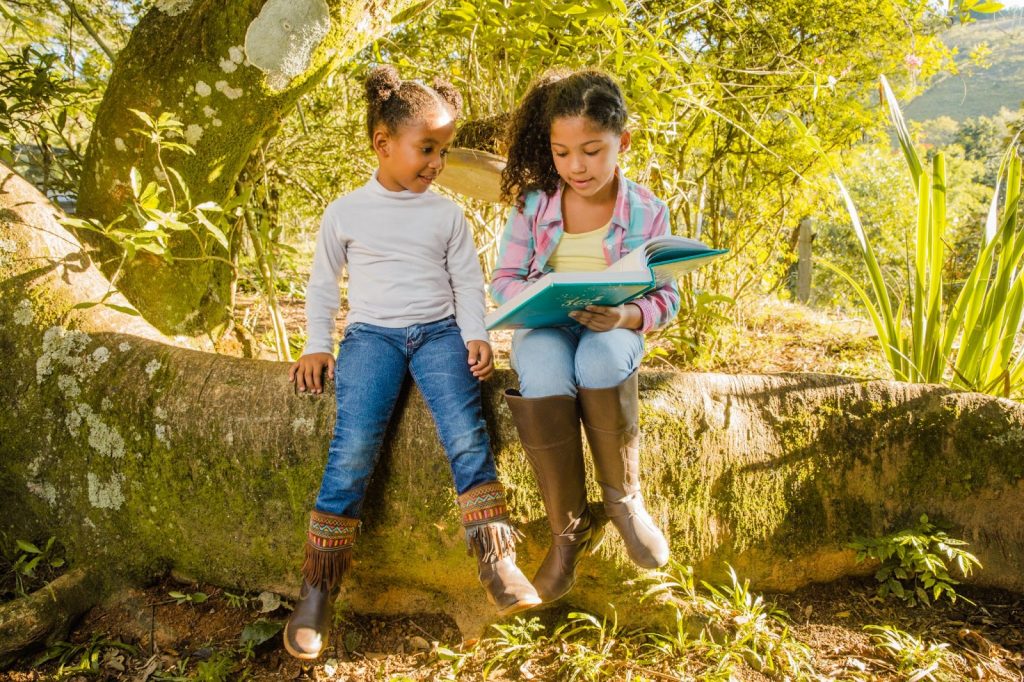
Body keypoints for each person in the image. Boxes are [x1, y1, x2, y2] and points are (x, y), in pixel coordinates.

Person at [283, 65, 540, 660]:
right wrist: (317, 344)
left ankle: (497, 559)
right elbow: (323, 286)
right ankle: (318, 589)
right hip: (372, 337)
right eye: (427, 149)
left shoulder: (445, 215)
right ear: (383, 143)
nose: (436, 164)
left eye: (442, 152)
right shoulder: (345, 212)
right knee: (352, 449)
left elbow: (466, 281)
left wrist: (475, 335)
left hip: (439, 335)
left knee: (466, 435)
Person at [490, 69, 677, 603]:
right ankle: (569, 531)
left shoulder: (648, 211)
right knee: (545, 367)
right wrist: (535, 297)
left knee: (600, 358)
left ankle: (622, 501)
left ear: (624, 141)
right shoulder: (533, 204)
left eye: (593, 151)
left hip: (611, 331)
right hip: (546, 327)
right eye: (562, 152)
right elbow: (504, 279)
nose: (576, 166)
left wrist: (626, 317)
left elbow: (667, 298)